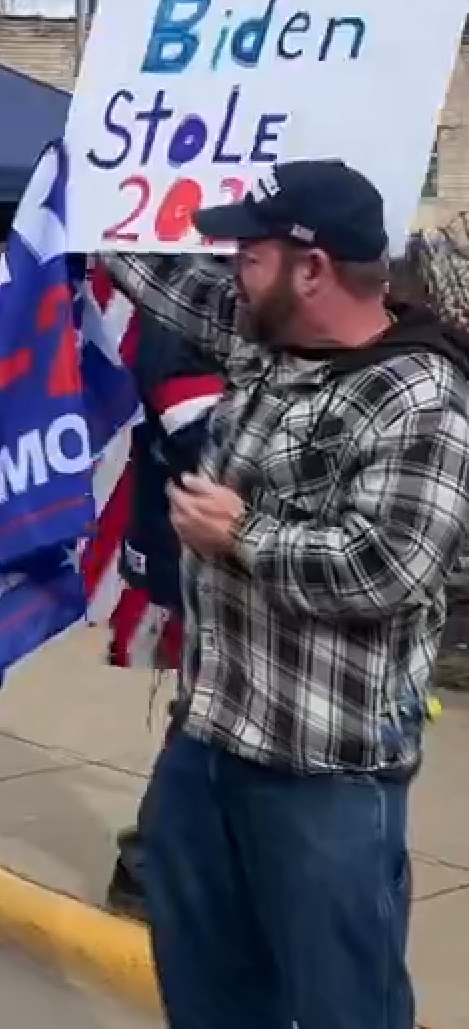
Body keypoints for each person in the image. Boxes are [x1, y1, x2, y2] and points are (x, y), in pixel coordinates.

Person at [102, 160, 469, 1029]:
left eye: (250, 255)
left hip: (324, 772)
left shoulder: (419, 396)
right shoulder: (266, 339)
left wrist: (242, 535)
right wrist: (88, 191)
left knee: (345, 1005)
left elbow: (390, 567)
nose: (233, 270)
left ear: (312, 269)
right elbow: (171, 283)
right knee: (209, 988)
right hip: (211, 744)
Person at [103, 316, 222, 921]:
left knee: (211, 712)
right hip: (203, 547)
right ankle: (150, 862)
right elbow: (203, 438)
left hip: (214, 546)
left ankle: (160, 860)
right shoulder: (188, 313)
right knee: (209, 714)